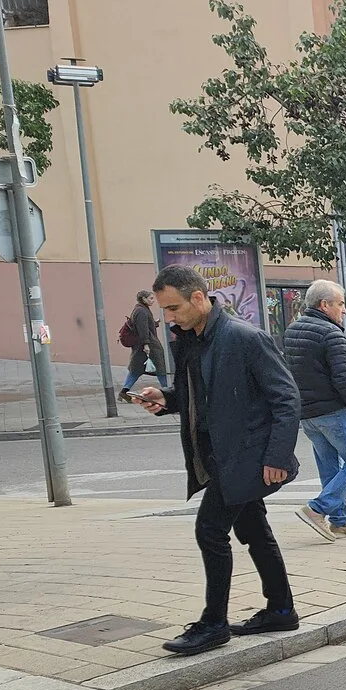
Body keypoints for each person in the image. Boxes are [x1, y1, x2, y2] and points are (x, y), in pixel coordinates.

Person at [128, 265, 301, 656]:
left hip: (245, 456)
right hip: (217, 453)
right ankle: (281, 609)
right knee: (255, 531)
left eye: (173, 308)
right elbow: (199, 395)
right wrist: (166, 399)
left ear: (199, 298)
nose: (169, 318)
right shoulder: (190, 340)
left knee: (210, 530)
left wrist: (276, 456)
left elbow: (286, 398)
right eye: (164, 311)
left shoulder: (245, 338)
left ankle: (213, 623)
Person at [282, 280, 346, 541]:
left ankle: (340, 522)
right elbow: (345, 378)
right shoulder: (331, 333)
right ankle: (316, 510)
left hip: (308, 413)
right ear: (325, 305)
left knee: (330, 466)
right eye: (340, 304)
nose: (343, 309)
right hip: (335, 410)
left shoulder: (293, 330)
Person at [119, 290, 168, 399]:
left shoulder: (141, 309)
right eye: (151, 298)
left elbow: (145, 326)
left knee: (136, 370)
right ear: (144, 299)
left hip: (142, 345)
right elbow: (142, 329)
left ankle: (124, 391)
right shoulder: (141, 311)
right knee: (161, 368)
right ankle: (167, 390)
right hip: (149, 346)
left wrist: (155, 323)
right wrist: (146, 344)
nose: (153, 301)